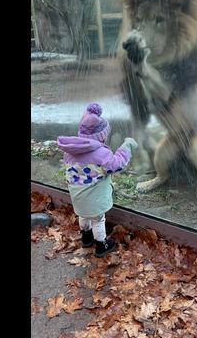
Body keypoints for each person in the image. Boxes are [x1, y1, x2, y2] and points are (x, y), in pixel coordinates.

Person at [56, 103, 138, 257]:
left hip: (78, 197)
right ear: (102, 136)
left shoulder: (70, 151)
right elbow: (116, 165)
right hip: (94, 198)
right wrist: (126, 147)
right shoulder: (101, 154)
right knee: (98, 219)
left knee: (83, 215)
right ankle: (102, 245)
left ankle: (86, 237)